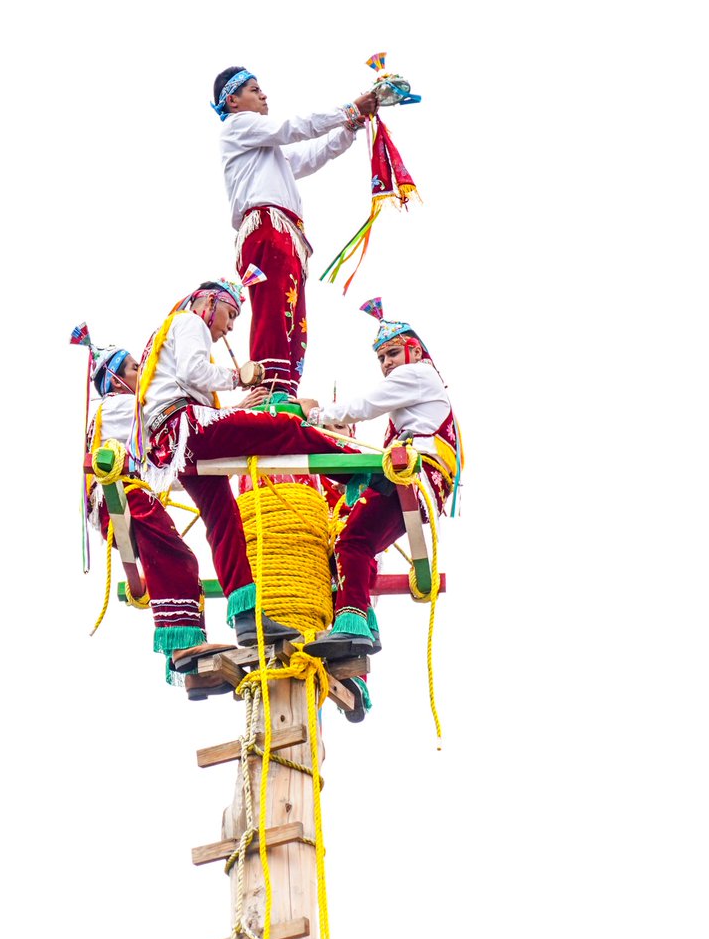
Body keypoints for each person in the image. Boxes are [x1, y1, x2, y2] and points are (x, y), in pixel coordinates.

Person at [136, 278, 360, 647]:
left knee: (224, 522)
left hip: (173, 444)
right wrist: (239, 377)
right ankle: (357, 469)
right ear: (209, 302)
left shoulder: (167, 337)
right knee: (283, 428)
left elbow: (184, 382)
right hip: (186, 427)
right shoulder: (189, 321)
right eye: (230, 314)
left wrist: (237, 407)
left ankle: (247, 618)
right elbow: (194, 372)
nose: (229, 327)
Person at [295, 297, 462, 661]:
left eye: (393, 353)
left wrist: (316, 415)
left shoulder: (416, 375)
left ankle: (353, 624)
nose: (387, 364)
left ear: (414, 352)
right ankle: (362, 623)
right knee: (358, 542)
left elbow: (365, 406)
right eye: (382, 358)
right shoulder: (422, 385)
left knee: (352, 539)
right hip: (419, 480)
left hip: (412, 474)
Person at [81, 337, 236, 697]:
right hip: (123, 494)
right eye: (136, 368)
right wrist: (232, 412)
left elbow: (160, 457)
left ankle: (193, 671)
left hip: (123, 497)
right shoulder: (121, 405)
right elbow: (172, 423)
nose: (144, 372)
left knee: (180, 562)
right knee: (178, 558)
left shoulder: (117, 412)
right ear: (115, 380)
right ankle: (183, 648)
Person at [211, 66, 378, 397]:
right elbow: (293, 128)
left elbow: (313, 155)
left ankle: (284, 389)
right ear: (232, 101)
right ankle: (268, 388)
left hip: (284, 232)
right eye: (254, 90)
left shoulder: (265, 150)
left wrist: (351, 124)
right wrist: (349, 109)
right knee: (274, 311)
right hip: (266, 227)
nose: (264, 95)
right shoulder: (238, 126)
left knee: (293, 319)